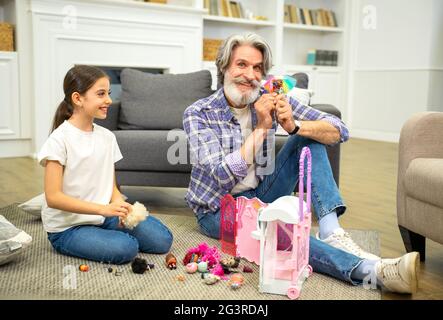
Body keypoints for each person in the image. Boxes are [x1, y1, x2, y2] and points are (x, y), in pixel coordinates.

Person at [183, 33, 419, 294]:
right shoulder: (198, 113)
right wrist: (262, 127)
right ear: (224, 67)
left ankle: (331, 231)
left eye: (257, 67)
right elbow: (220, 176)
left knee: (307, 138)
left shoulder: (266, 96)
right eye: (241, 64)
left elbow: (339, 129)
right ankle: (369, 271)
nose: (250, 74)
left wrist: (295, 125)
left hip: (260, 193)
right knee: (282, 229)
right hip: (219, 209)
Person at [38, 65, 173, 265]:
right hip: (68, 228)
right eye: (101, 94)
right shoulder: (59, 140)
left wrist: (117, 203)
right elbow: (53, 198)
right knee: (127, 248)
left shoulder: (107, 137)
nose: (109, 100)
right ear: (78, 98)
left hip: (103, 217)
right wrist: (103, 209)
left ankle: (104, 234)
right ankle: (96, 239)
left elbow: (110, 183)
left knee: (162, 240)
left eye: (108, 93)